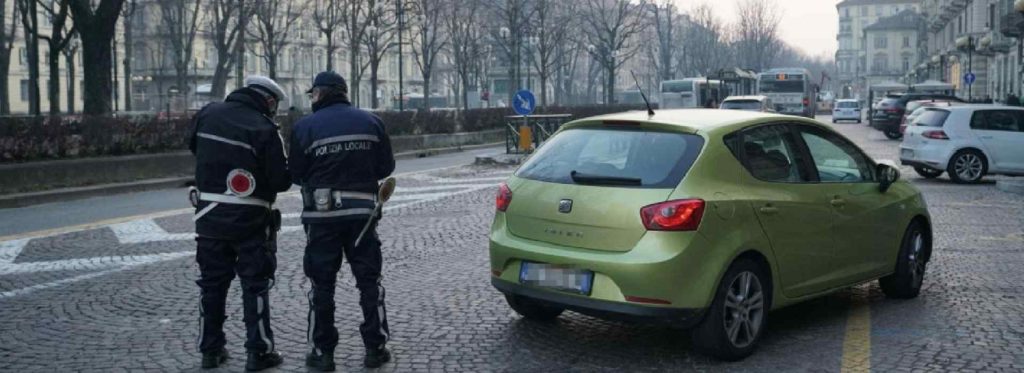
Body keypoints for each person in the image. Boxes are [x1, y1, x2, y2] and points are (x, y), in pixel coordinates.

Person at [289, 71, 396, 371]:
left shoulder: (304, 127)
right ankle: (376, 347)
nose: (311, 99)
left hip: (321, 219)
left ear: (321, 93)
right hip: (362, 216)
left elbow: (295, 174)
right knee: (369, 282)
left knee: (322, 285)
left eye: (313, 94)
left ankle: (323, 353)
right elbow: (386, 165)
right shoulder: (371, 121)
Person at [188, 75, 291, 371]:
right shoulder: (265, 128)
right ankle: (259, 352)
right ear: (269, 102)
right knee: (255, 285)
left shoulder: (208, 113)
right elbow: (281, 181)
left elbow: (193, 146)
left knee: (211, 285)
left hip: (208, 218)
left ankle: (210, 350)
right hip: (251, 220)